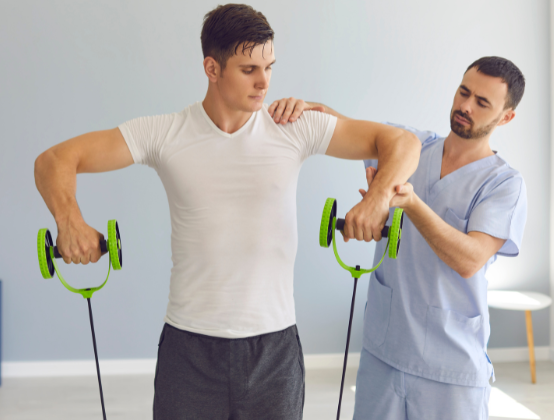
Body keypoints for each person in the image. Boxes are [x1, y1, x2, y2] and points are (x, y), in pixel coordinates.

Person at [34, 4, 421, 419]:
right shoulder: (164, 133)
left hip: (274, 350)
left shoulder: (294, 125)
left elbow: (401, 142)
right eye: (248, 69)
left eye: (269, 67)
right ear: (212, 68)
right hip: (189, 350)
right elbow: (54, 160)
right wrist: (69, 221)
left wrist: (377, 199)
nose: (264, 82)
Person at [274, 56, 527, 419]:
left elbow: (470, 259)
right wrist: (306, 109)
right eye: (463, 92)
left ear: (506, 116)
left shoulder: (504, 184)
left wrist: (408, 202)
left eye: (482, 102)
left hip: (451, 368)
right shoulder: (412, 147)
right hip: (385, 352)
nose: (465, 106)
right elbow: (343, 127)